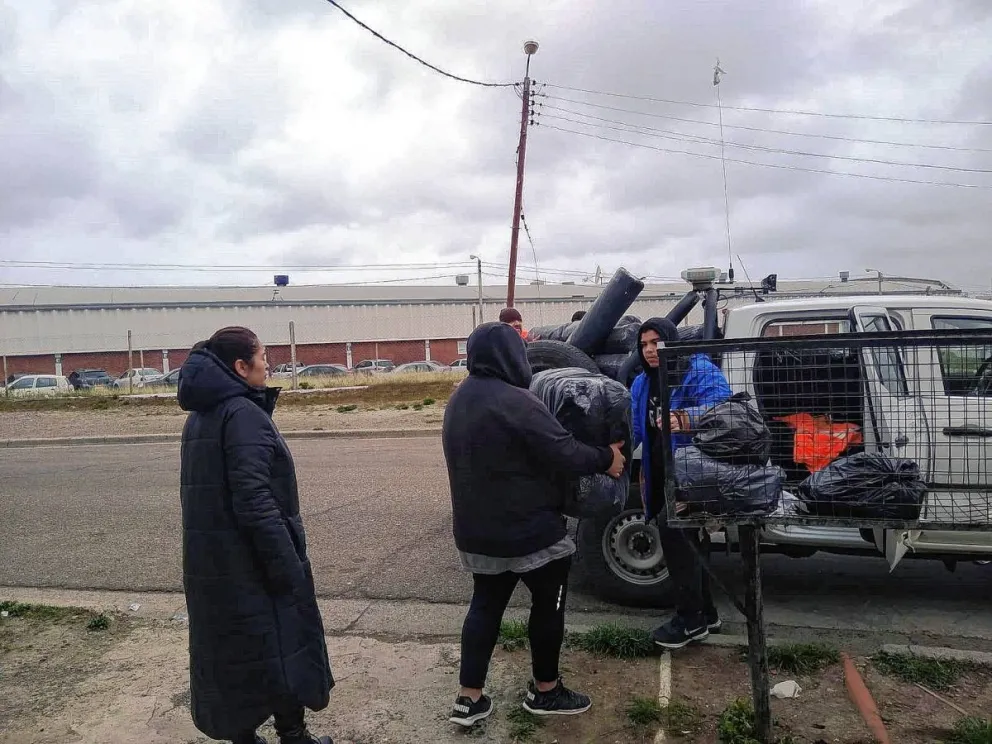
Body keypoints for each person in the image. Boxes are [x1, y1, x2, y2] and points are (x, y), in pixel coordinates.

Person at [442, 322, 626, 726]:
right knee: (548, 604)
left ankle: (469, 699)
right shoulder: (516, 401)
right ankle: (546, 691)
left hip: (477, 532)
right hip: (528, 532)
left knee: (484, 607)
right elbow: (563, 451)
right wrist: (605, 458)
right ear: (510, 355)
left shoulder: (459, 399)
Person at [178, 327, 334, 744]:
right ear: (241, 366)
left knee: (235, 652)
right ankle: (293, 734)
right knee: (284, 644)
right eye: (263, 356)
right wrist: (286, 566)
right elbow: (255, 502)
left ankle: (245, 736)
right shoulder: (242, 414)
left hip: (216, 564)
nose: (269, 364)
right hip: (251, 564)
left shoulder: (202, 414)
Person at [630, 318, 732, 650]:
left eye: (656, 342)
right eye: (644, 344)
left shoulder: (698, 371)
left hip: (696, 474)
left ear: (671, 342)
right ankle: (708, 614)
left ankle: (690, 621)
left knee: (675, 533)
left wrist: (684, 418)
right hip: (662, 473)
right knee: (693, 543)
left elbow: (725, 411)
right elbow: (634, 428)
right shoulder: (642, 384)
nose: (650, 350)